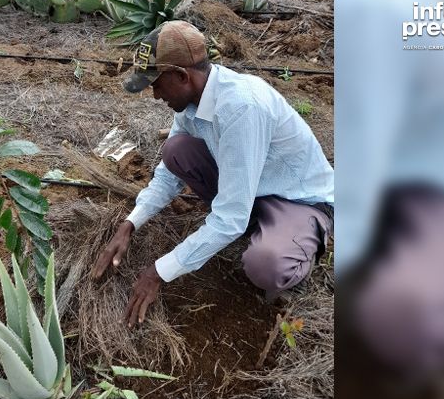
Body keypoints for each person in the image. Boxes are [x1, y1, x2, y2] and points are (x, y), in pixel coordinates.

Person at [90, 21, 334, 327]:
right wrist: (130, 223)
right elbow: (167, 175)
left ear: (182, 76)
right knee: (175, 149)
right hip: (252, 189)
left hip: (296, 200)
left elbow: (230, 217)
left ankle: (300, 245)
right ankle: (257, 226)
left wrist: (158, 272)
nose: (154, 95)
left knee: (265, 267)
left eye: (156, 83)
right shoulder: (191, 102)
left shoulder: (242, 107)